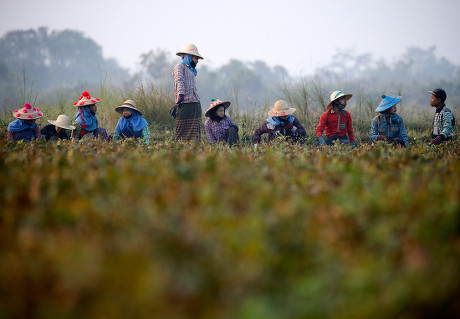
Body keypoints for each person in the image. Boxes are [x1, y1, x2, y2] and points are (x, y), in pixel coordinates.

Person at [172, 44, 203, 142]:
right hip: (184, 104)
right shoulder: (179, 67)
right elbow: (179, 80)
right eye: (195, 58)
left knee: (195, 133)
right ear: (188, 56)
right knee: (182, 131)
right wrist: (181, 95)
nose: (197, 61)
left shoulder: (192, 70)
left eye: (197, 58)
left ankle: (194, 151)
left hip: (195, 104)